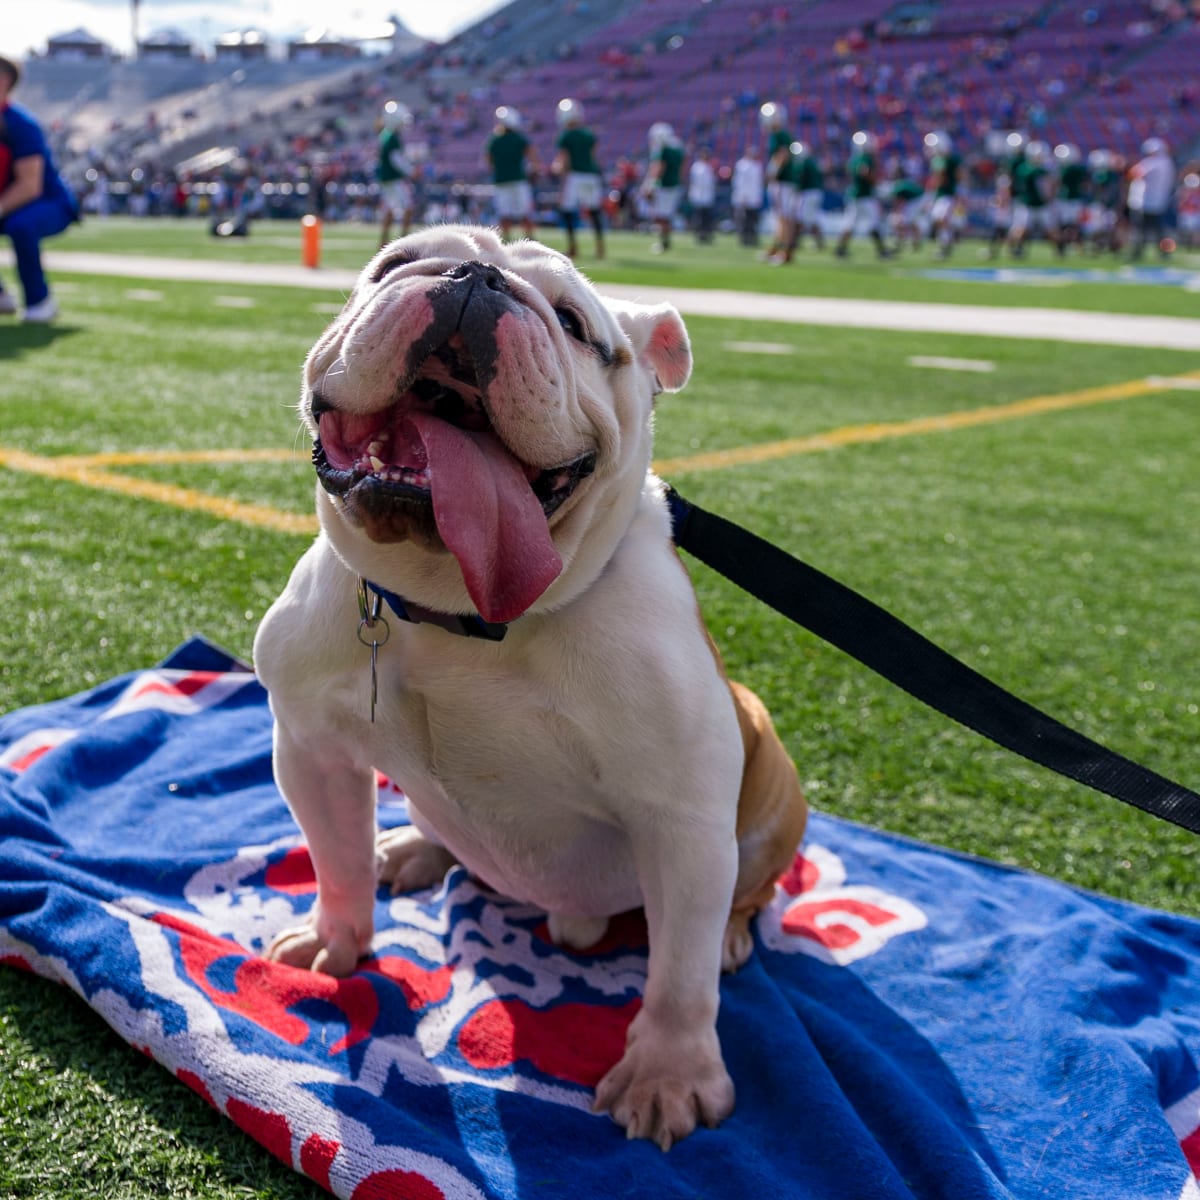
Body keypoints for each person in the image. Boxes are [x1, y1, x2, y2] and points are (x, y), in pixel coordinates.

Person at [0, 54, 79, 323]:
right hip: (10, 204)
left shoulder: (20, 124)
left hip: (47, 203)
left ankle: (39, 301)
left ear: (5, 81)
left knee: (21, 226)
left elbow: (29, 185)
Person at [552, 97, 604, 259]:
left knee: (567, 210)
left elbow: (564, 160)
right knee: (594, 210)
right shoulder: (589, 134)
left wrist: (558, 171)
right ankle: (600, 247)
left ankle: (573, 247)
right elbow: (594, 157)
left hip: (574, 176)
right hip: (591, 176)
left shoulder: (566, 136)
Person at [834, 130, 892, 259]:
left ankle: (840, 249)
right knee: (872, 222)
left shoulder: (854, 158)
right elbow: (864, 172)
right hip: (864, 196)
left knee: (850, 224)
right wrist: (876, 183)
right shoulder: (865, 158)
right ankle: (882, 251)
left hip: (856, 195)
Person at [486, 106, 538, 241]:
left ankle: (505, 242)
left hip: (501, 181)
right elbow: (533, 158)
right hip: (518, 181)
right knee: (525, 214)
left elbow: (489, 162)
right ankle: (530, 240)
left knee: (504, 215)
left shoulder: (494, 140)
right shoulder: (519, 138)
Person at [1126, 136, 1176, 260]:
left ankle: (1137, 252)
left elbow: (1134, 174)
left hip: (1146, 201)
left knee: (1141, 229)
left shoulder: (1153, 162)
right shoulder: (1168, 163)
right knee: (1159, 230)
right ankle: (1165, 252)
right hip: (1159, 201)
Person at [377, 100, 416, 247]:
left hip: (388, 178)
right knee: (408, 207)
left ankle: (383, 243)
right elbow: (397, 160)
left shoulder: (386, 135)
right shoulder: (392, 137)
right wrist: (411, 172)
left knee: (390, 209)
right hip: (393, 179)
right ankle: (403, 244)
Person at [642, 122, 685, 252]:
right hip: (675, 185)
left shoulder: (664, 151)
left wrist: (650, 185)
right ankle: (665, 242)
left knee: (661, 217)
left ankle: (664, 243)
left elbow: (658, 168)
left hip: (665, 187)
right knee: (665, 216)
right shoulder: (678, 150)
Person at [923, 130, 962, 259]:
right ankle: (947, 242)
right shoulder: (938, 160)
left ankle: (947, 245)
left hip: (947, 194)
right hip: (940, 195)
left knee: (941, 219)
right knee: (937, 221)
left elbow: (946, 178)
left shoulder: (949, 160)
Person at [731, 143, 764, 246]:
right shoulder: (742, 165)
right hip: (744, 197)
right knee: (743, 220)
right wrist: (742, 196)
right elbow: (740, 183)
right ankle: (744, 239)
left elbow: (758, 183)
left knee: (753, 220)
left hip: (754, 198)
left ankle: (752, 238)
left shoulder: (757, 165)